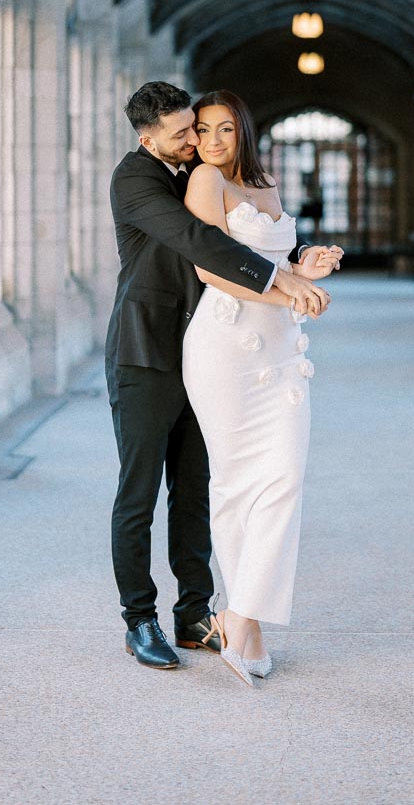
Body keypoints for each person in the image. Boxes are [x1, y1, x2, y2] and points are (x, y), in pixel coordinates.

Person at [105, 82, 334, 671]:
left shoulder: (196, 170)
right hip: (147, 352)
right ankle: (139, 621)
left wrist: (299, 253)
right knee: (138, 493)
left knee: (194, 491)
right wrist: (284, 284)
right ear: (146, 137)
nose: (194, 142)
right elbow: (200, 239)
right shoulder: (134, 179)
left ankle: (194, 616)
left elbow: (242, 224)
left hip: (204, 353)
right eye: (182, 134)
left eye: (199, 129)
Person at [182, 91, 342, 685]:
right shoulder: (205, 182)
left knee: (285, 478)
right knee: (234, 483)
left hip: (280, 350)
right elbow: (213, 267)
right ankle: (244, 623)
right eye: (203, 131)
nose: (214, 141)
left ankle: (239, 612)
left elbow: (275, 259)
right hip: (225, 346)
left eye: (225, 129)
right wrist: (289, 292)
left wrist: (309, 267)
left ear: (243, 131)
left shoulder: (267, 184)